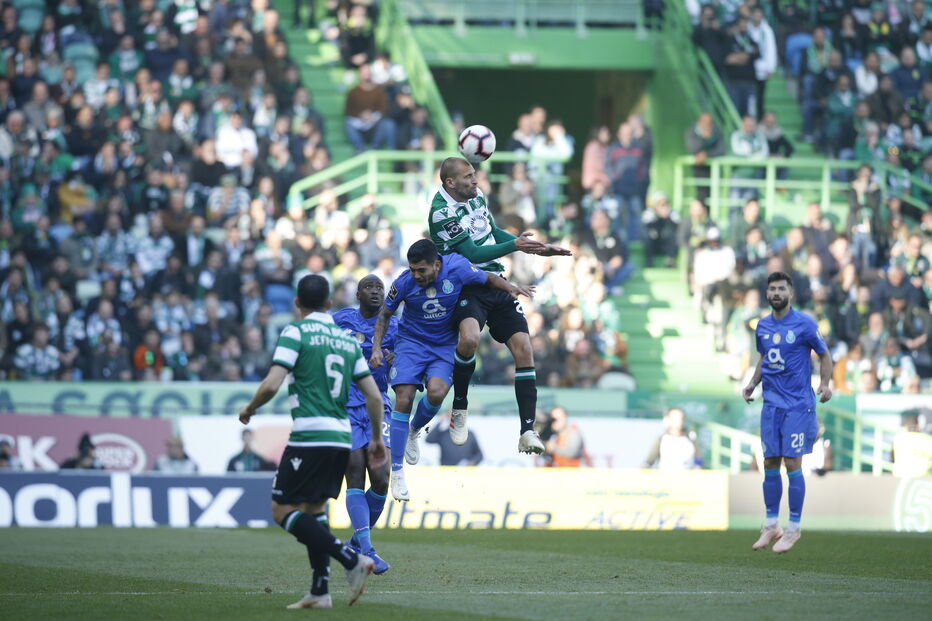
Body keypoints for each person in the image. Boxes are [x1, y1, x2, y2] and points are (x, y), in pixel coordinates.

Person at [238, 274, 387, 609]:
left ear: (297, 304)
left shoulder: (296, 331)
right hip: (341, 436)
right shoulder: (347, 338)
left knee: (281, 510)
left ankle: (351, 559)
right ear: (330, 304)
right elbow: (374, 397)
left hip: (309, 435)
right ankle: (320, 590)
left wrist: (250, 408)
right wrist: (377, 437)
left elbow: (272, 384)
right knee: (314, 510)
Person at [426, 157, 570, 460]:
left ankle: (527, 430)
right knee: (469, 340)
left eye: (474, 175)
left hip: (496, 280)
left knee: (524, 349)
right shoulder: (441, 214)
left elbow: (491, 232)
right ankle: (460, 407)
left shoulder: (476, 196)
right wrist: (517, 246)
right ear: (450, 182)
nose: (476, 181)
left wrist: (537, 247)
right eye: (468, 177)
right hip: (464, 284)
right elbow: (473, 252)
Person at [370, 240, 535, 501]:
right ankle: (397, 471)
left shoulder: (457, 267)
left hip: (445, 344)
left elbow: (488, 278)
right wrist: (377, 348)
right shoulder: (403, 283)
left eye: (421, 270)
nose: (416, 275)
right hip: (411, 343)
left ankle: (414, 429)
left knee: (436, 393)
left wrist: (512, 288)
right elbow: (385, 315)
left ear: (437, 264)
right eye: (412, 269)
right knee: (403, 397)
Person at [742, 271, 833, 554]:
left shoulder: (805, 324)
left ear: (790, 293)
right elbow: (764, 359)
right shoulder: (763, 326)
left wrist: (825, 384)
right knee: (770, 463)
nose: (776, 293)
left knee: (792, 464)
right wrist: (752, 383)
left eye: (781, 289)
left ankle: (793, 528)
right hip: (771, 405)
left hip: (797, 405)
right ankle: (771, 525)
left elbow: (825, 355)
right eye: (772, 289)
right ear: (767, 294)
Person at [332, 275, 398, 574]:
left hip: (378, 403)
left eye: (379, 288)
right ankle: (367, 550)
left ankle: (354, 546)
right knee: (355, 471)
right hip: (345, 403)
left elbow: (406, 359)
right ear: (358, 293)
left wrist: (395, 358)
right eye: (369, 287)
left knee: (382, 476)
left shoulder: (394, 326)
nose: (375, 291)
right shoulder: (340, 320)